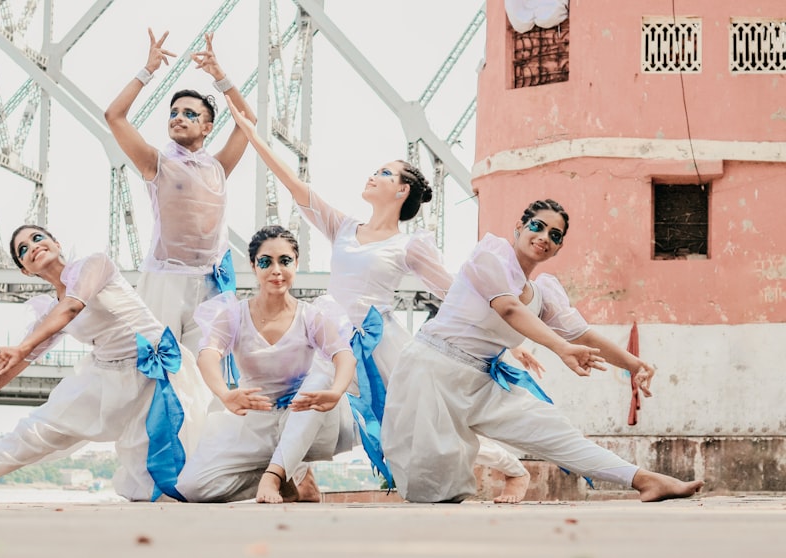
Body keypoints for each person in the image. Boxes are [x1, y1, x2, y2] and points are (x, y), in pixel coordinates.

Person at [225, 99, 538, 503]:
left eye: (385, 173)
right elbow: (293, 184)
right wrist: (252, 135)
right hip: (330, 333)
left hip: (379, 343)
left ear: (402, 190)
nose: (374, 176)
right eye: (376, 170)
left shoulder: (409, 246)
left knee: (415, 421)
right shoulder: (342, 227)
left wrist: (517, 340)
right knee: (306, 391)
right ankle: (285, 477)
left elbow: (461, 293)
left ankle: (514, 470)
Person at [381, 199, 705, 503]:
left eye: (555, 235)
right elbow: (507, 308)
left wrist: (636, 365)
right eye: (537, 226)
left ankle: (646, 480)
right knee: (434, 488)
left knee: (555, 431)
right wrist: (561, 348)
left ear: (559, 247)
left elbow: (583, 334)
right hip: (433, 371)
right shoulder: (490, 255)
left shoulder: (543, 293)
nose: (544, 237)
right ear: (519, 226)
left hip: (483, 381)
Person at [0, 225, 211, 504]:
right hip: (108, 377)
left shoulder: (94, 264)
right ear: (25, 269)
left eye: (37, 238)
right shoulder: (49, 309)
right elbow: (14, 365)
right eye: (23, 250)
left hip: (156, 373)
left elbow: (74, 307)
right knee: (33, 433)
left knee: (173, 485)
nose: (33, 246)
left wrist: (22, 348)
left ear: (56, 243)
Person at [176, 226, 357, 504]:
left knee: (320, 378)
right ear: (253, 266)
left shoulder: (311, 316)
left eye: (285, 261)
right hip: (255, 422)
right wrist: (225, 394)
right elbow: (208, 354)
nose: (276, 270)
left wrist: (336, 391)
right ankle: (292, 475)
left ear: (296, 264)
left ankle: (273, 477)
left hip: (303, 418)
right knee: (194, 488)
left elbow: (343, 355)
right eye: (265, 262)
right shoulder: (234, 315)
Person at [104, 29, 256, 355]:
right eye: (173, 113)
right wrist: (147, 71)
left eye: (190, 114)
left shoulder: (218, 167)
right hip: (165, 281)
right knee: (157, 367)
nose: (178, 118)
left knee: (204, 371)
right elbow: (114, 116)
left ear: (207, 127)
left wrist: (220, 76)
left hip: (210, 283)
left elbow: (248, 120)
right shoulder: (155, 163)